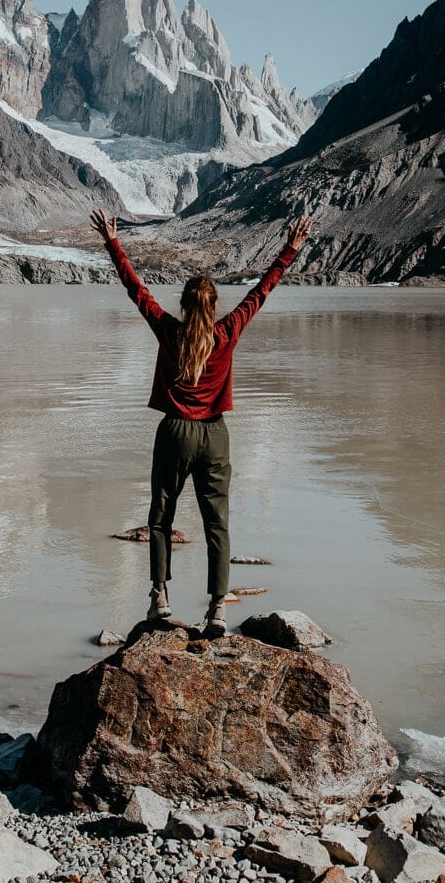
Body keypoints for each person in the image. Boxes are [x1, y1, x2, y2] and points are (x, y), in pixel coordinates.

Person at [89, 208, 313, 635]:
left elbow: (136, 289)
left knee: (161, 518)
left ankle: (159, 599)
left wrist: (112, 242)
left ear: (184, 306)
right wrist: (291, 248)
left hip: (174, 431)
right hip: (214, 434)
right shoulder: (226, 333)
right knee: (217, 524)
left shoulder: (168, 331)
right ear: (213, 308)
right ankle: (216, 610)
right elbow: (261, 292)